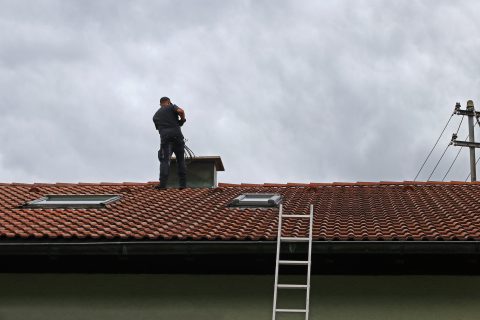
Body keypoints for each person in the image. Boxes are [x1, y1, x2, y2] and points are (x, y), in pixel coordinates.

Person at [152, 97, 187, 189]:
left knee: (165, 161)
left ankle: (162, 185)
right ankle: (183, 185)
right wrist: (182, 120)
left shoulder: (155, 116)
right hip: (177, 136)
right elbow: (181, 111)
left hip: (165, 139)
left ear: (160, 104)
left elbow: (160, 128)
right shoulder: (172, 107)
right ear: (169, 102)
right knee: (180, 160)